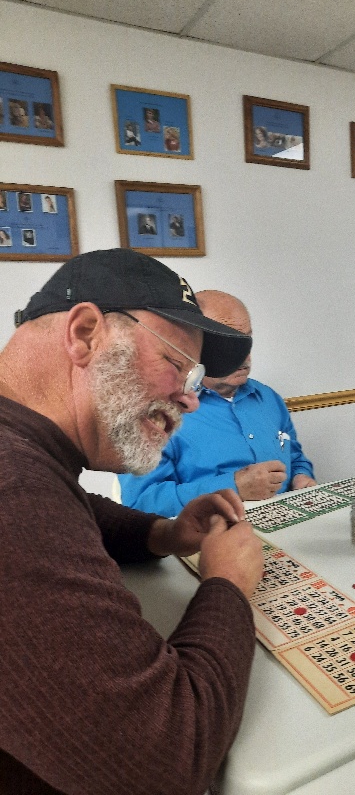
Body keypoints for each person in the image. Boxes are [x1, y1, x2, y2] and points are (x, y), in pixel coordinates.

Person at [0, 248, 264, 794]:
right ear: (86, 333)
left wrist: (160, 533)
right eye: (176, 364)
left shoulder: (26, 455)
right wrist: (228, 586)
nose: (190, 400)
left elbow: (70, 504)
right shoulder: (13, 490)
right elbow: (164, 764)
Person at [120, 290, 316, 515]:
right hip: (209, 537)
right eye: (228, 344)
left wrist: (301, 477)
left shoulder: (268, 398)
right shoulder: (155, 412)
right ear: (193, 344)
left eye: (246, 341)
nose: (244, 357)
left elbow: (295, 457)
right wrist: (233, 487)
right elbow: (141, 503)